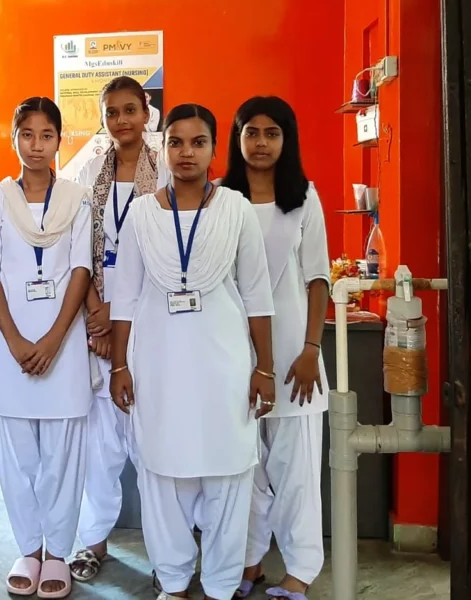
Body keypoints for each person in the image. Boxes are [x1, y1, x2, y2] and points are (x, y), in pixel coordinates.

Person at [108, 103, 276, 600]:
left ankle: (222, 585)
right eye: (176, 142)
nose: (186, 152)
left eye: (198, 142)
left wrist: (265, 368)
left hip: (225, 364)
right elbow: (125, 296)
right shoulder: (141, 214)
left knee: (228, 472)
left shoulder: (236, 210)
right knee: (163, 472)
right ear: (162, 148)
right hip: (158, 365)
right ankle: (174, 582)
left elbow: (257, 295)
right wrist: (119, 365)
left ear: (214, 149)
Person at [0, 96, 93, 598]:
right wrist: (15, 339)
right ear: (14, 139)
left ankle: (59, 553)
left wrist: (52, 339)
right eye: (27, 134)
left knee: (63, 455)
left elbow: (81, 269)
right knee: (16, 452)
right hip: (9, 342)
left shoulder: (77, 199)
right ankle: (28, 548)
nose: (37, 145)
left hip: (61, 342)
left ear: (59, 141)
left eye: (47, 135)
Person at [218, 97, 330, 600]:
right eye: (251, 132)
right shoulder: (220, 199)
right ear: (237, 138)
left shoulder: (305, 197)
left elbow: (318, 279)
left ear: (287, 140)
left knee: (295, 469)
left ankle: (300, 573)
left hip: (293, 357)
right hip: (232, 353)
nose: (261, 143)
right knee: (242, 468)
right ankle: (248, 562)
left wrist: (311, 349)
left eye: (272, 133)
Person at [69, 77, 169, 583]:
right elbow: (77, 248)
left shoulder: (166, 167)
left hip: (149, 319)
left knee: (153, 445)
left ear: (146, 113)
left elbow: (173, 251)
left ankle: (166, 556)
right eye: (112, 112)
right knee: (100, 446)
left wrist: (119, 312)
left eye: (130, 109)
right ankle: (93, 542)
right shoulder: (90, 171)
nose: (122, 120)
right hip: (98, 321)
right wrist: (98, 311)